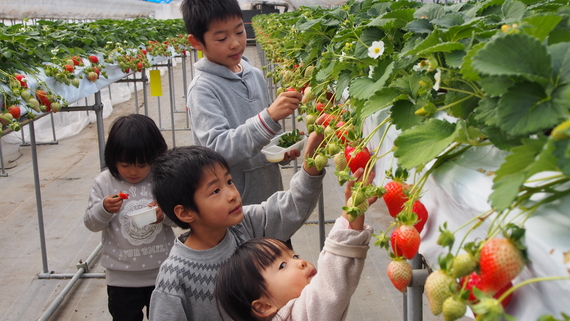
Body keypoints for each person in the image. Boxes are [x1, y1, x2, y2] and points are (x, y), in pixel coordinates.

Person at [147, 129, 326, 321]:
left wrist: (311, 167)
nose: (232, 194)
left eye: (229, 181)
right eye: (215, 191)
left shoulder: (245, 225)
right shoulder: (174, 276)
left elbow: (291, 208)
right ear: (185, 212)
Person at [181, 0, 303, 205]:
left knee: (276, 238)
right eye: (221, 37)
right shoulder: (202, 89)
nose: (235, 43)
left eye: (239, 31)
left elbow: (266, 133)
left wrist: (282, 149)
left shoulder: (254, 75)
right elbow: (217, 149)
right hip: (234, 207)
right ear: (196, 42)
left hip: (270, 197)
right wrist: (269, 117)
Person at [214, 169, 377, 321]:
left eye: (294, 256)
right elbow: (329, 284)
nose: (301, 262)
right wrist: (349, 215)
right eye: (283, 265)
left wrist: (353, 217)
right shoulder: (303, 316)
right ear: (264, 306)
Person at [84, 114, 176, 321]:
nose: (133, 171)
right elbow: (91, 223)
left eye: (142, 164)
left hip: (163, 272)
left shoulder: (162, 179)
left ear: (157, 156)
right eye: (125, 165)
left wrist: (164, 214)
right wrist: (104, 209)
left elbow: (182, 218)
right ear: (112, 158)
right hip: (121, 279)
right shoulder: (104, 183)